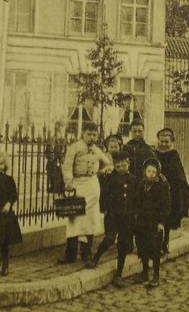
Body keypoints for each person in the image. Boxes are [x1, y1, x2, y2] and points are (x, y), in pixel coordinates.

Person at [58, 122, 112, 265]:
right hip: (78, 184)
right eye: (89, 134)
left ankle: (86, 253)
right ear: (83, 134)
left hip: (92, 185)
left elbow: (107, 162)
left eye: (95, 135)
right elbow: (67, 166)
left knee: (90, 219)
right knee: (74, 217)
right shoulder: (74, 147)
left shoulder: (96, 149)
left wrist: (101, 171)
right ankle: (70, 254)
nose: (92, 137)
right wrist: (68, 183)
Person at [87, 150, 138, 288]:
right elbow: (104, 195)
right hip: (113, 216)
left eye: (124, 165)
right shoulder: (111, 179)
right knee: (109, 238)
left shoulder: (133, 179)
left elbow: (136, 198)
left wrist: (134, 213)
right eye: (119, 166)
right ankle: (96, 257)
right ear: (115, 166)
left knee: (122, 245)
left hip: (127, 218)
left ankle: (119, 274)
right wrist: (106, 209)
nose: (122, 168)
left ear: (129, 164)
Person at [134, 157, 170, 289]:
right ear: (145, 171)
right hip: (142, 222)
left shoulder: (162, 186)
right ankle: (144, 272)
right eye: (149, 171)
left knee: (155, 249)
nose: (151, 174)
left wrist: (161, 222)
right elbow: (136, 202)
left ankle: (156, 274)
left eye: (154, 172)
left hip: (155, 223)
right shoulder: (141, 185)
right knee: (142, 247)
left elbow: (166, 206)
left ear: (158, 173)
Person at [155, 127, 189, 256]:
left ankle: (164, 243)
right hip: (157, 190)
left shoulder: (174, 155)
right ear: (158, 140)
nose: (164, 144)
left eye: (166, 142)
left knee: (167, 220)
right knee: (157, 219)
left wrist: (180, 190)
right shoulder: (155, 154)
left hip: (171, 192)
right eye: (162, 141)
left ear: (172, 142)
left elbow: (179, 174)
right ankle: (158, 244)